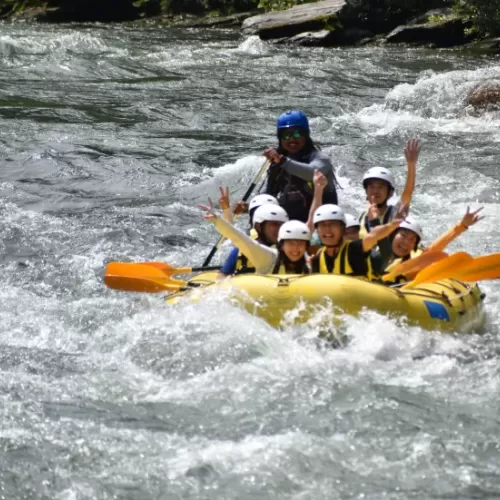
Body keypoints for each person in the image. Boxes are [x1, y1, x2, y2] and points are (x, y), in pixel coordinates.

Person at [263, 110, 338, 222]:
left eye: (297, 134)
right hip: (290, 225)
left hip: (322, 224)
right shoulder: (277, 164)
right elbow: (269, 197)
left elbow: (311, 174)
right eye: (286, 136)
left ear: (306, 136)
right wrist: (249, 207)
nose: (292, 139)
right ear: (280, 139)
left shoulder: (321, 159)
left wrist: (282, 160)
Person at [201, 199, 311, 274]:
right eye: (291, 243)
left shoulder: (308, 260)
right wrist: (217, 220)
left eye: (300, 243)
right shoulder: (269, 257)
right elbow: (240, 239)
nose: (296, 248)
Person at [380, 206, 484, 284]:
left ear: (415, 246)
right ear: (392, 236)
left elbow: (437, 247)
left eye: (412, 240)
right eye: (403, 235)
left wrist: (463, 225)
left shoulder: (416, 262)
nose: (406, 242)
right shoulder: (374, 252)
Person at [310, 204, 403, 277]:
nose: (327, 229)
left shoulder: (354, 249)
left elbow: (373, 236)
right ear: (317, 230)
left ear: (343, 229)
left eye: (333, 224)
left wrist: (391, 225)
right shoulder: (316, 259)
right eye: (322, 225)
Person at [358, 138, 421, 238]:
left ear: (390, 192)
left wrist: (411, 164)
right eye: (371, 187)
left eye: (380, 187)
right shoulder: (362, 216)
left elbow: (407, 194)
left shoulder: (395, 213)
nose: (375, 191)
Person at [217, 203, 288, 277]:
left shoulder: (290, 251)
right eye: (274, 224)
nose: (279, 229)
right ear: (259, 227)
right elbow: (221, 277)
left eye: (282, 225)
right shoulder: (240, 250)